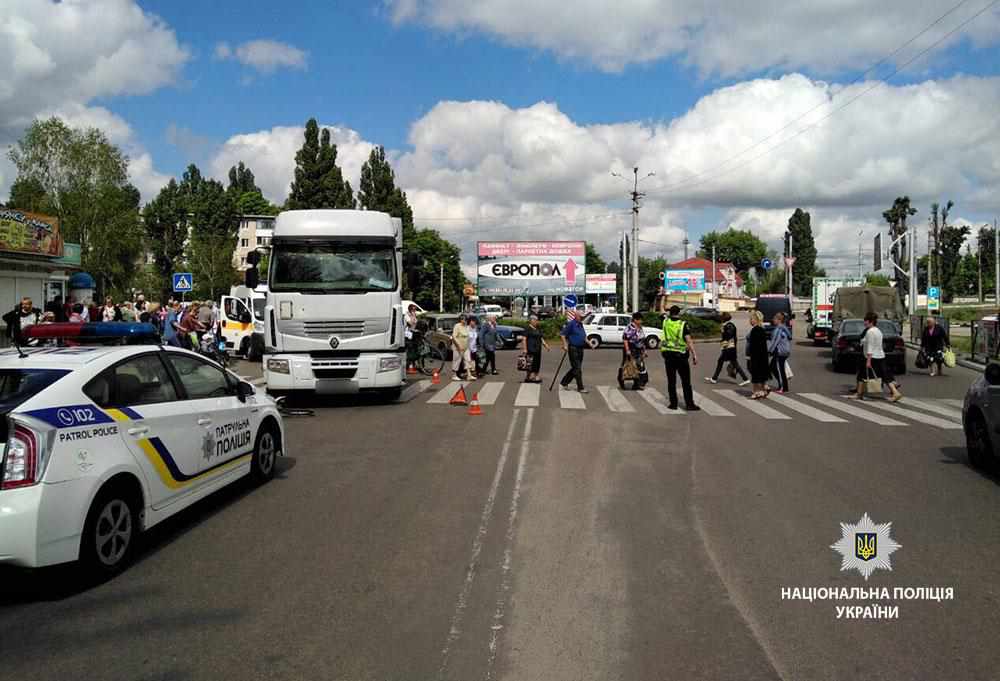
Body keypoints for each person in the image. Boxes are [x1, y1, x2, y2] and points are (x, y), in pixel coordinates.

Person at [851, 312, 902, 402]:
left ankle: (858, 394)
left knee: (861, 375)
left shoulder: (870, 332)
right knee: (885, 376)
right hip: (880, 356)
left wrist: (868, 361)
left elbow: (870, 346)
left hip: (871, 357)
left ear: (870, 321)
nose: (864, 323)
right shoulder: (878, 331)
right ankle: (895, 392)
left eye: (865, 321)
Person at [660, 305, 699, 410]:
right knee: (686, 382)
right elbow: (688, 340)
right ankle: (689, 404)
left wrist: (663, 296)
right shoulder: (683, 324)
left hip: (668, 355)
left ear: (670, 312)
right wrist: (694, 354)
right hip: (681, 356)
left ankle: (673, 404)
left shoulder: (665, 322)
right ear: (679, 313)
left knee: (671, 381)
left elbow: (662, 311)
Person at [706, 311, 749, 385]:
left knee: (722, 362)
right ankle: (745, 379)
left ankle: (714, 378)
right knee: (733, 363)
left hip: (729, 348)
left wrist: (723, 331)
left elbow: (728, 337)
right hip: (728, 348)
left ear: (724, 318)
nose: (720, 318)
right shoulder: (727, 325)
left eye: (721, 317)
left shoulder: (729, 326)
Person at [559, 309, 589, 393]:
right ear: (576, 316)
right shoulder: (571, 324)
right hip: (573, 348)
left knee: (576, 368)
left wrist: (589, 343)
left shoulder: (580, 324)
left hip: (580, 348)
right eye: (581, 317)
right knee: (577, 368)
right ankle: (580, 387)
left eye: (583, 317)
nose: (582, 318)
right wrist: (565, 345)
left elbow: (584, 336)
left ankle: (564, 382)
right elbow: (562, 334)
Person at [618, 312, 647, 391]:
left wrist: (644, 351)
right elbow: (625, 339)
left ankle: (637, 384)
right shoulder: (630, 328)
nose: (641, 321)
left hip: (638, 349)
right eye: (640, 319)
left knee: (639, 366)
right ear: (635, 320)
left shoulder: (640, 327)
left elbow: (642, 340)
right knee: (626, 365)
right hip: (631, 349)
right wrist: (627, 350)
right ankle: (622, 381)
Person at [746, 310, 770, 399]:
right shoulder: (762, 329)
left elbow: (753, 346)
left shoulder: (754, 330)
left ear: (756, 320)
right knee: (762, 373)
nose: (750, 321)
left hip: (756, 356)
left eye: (751, 319)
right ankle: (764, 389)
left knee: (755, 374)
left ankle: (756, 392)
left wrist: (749, 356)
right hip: (763, 356)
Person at [767, 312, 792, 394]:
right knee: (773, 367)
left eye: (774, 319)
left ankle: (783, 387)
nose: (773, 320)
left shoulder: (778, 329)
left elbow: (775, 341)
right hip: (784, 351)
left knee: (779, 369)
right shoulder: (784, 328)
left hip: (780, 351)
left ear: (779, 320)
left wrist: (769, 351)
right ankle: (783, 386)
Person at [521, 315, 549, 383]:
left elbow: (541, 338)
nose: (537, 322)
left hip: (538, 348)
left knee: (537, 363)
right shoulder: (527, 328)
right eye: (535, 320)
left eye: (537, 320)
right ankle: (529, 376)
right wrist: (525, 349)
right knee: (529, 363)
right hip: (530, 349)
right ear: (531, 321)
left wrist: (545, 345)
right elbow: (524, 339)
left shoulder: (537, 328)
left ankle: (535, 376)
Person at [450, 314, 472, 380]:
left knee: (468, 360)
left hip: (466, 347)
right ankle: (454, 375)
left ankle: (469, 375)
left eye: (465, 320)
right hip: (458, 347)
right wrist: (458, 346)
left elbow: (468, 337)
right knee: (457, 360)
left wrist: (468, 346)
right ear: (460, 320)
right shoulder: (457, 326)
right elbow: (454, 337)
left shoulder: (467, 327)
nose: (464, 321)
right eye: (462, 319)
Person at [404, 303, 420, 370]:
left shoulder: (414, 315)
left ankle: (414, 363)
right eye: (413, 310)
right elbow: (410, 323)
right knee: (409, 349)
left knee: (415, 348)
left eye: (415, 310)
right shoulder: (406, 315)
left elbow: (416, 323)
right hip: (407, 334)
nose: (415, 311)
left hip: (413, 333)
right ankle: (409, 364)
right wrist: (413, 317)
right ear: (410, 310)